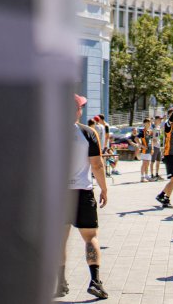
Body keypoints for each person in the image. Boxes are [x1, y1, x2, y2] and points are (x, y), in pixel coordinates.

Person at [56, 94, 109, 299]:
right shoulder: (88, 132)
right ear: (77, 110)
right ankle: (95, 281)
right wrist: (104, 189)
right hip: (83, 192)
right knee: (90, 237)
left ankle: (60, 284)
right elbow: (96, 164)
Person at [149, 116, 163, 181]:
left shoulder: (159, 127)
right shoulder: (152, 127)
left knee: (158, 161)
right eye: (160, 119)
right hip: (154, 146)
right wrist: (151, 147)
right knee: (152, 161)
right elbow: (151, 137)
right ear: (156, 120)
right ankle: (152, 175)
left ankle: (157, 174)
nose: (161, 121)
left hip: (158, 146)